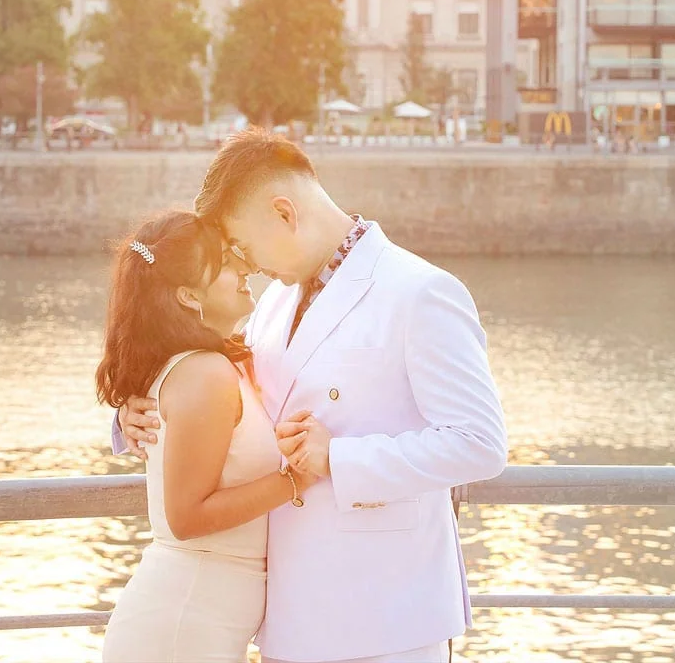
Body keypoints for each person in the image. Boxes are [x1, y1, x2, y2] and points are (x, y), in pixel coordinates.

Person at [117, 129, 508, 663]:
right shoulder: (273, 303)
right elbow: (225, 401)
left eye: (243, 246)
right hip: (284, 617)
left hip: (384, 615)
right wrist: (133, 416)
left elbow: (480, 444)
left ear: (284, 213)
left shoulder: (419, 292)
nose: (246, 265)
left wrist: (338, 458)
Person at [97, 209, 315, 663]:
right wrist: (296, 480)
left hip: (203, 618)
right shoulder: (206, 372)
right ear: (187, 295)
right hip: (182, 623)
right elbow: (186, 516)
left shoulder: (219, 363)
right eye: (223, 262)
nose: (243, 269)